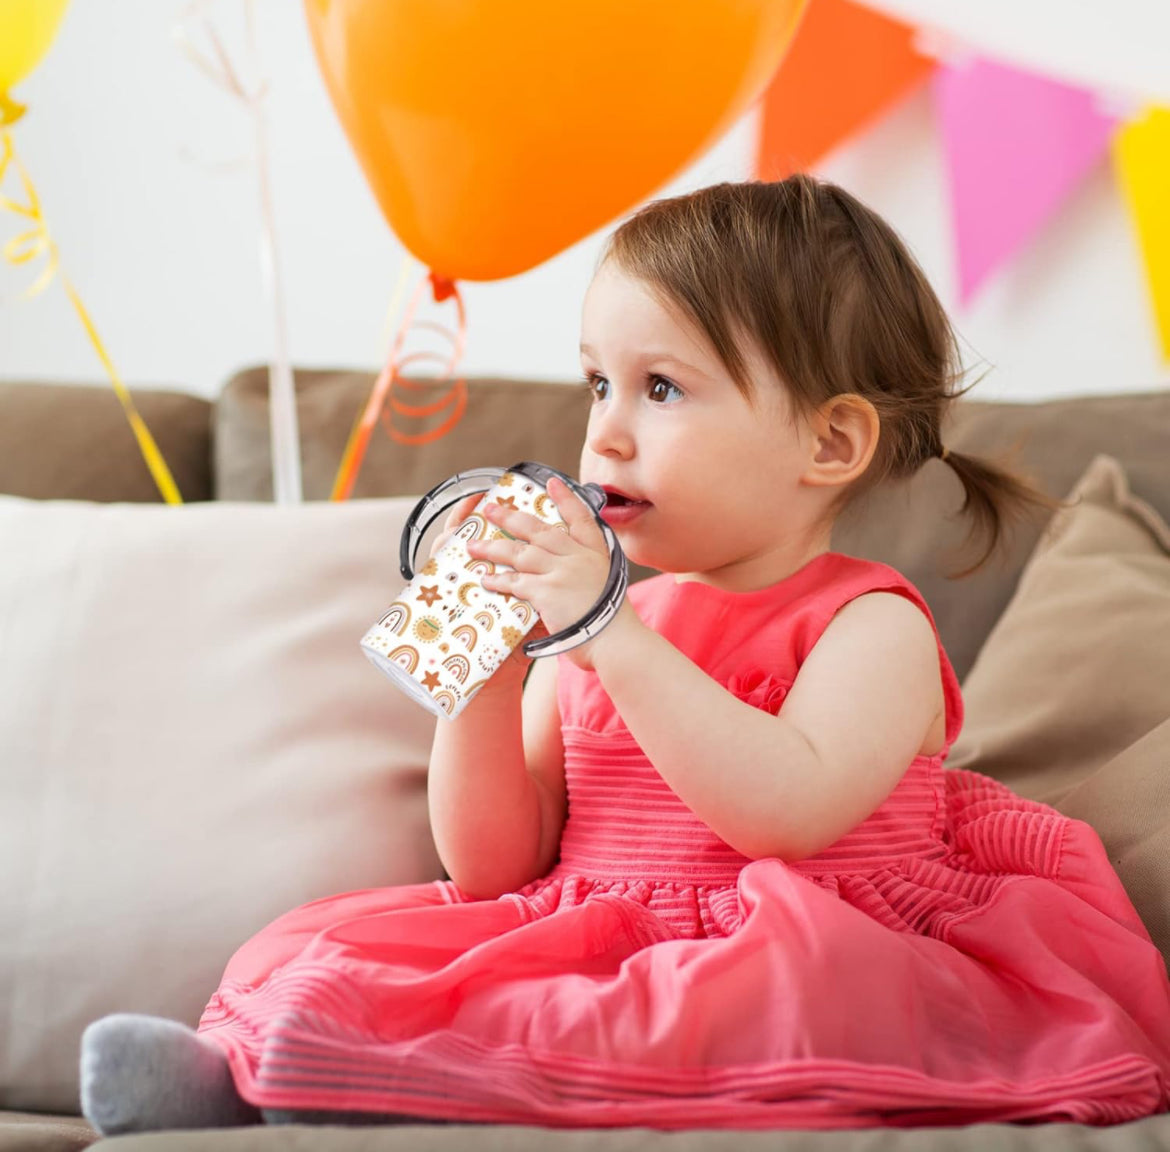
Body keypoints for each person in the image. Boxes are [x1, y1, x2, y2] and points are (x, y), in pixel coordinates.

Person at [80, 176, 1170, 1134]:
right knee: (343, 961)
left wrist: (611, 636)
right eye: (598, 382)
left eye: (662, 389)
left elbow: (784, 813)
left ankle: (355, 1086)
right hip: (600, 935)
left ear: (829, 443)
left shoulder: (866, 624)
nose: (603, 433)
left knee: (667, 1018)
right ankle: (254, 1075)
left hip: (796, 952)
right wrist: (488, 676)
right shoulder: (596, 622)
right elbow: (497, 868)